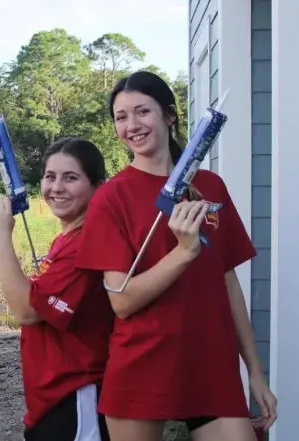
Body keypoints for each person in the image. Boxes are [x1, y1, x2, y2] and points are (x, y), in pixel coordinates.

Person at [73, 70, 278, 441]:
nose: (132, 125)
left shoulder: (210, 187)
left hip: (212, 364)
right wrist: (183, 253)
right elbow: (122, 302)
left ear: (169, 116)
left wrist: (256, 373)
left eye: (142, 112)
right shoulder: (111, 198)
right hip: (142, 365)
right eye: (121, 117)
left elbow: (229, 283)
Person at [0, 137, 114, 441]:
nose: (56, 187)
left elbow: (26, 312)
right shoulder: (66, 238)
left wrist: (1, 238)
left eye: (70, 177)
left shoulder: (85, 243)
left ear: (98, 186)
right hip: (49, 396)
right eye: (50, 176)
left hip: (75, 391)